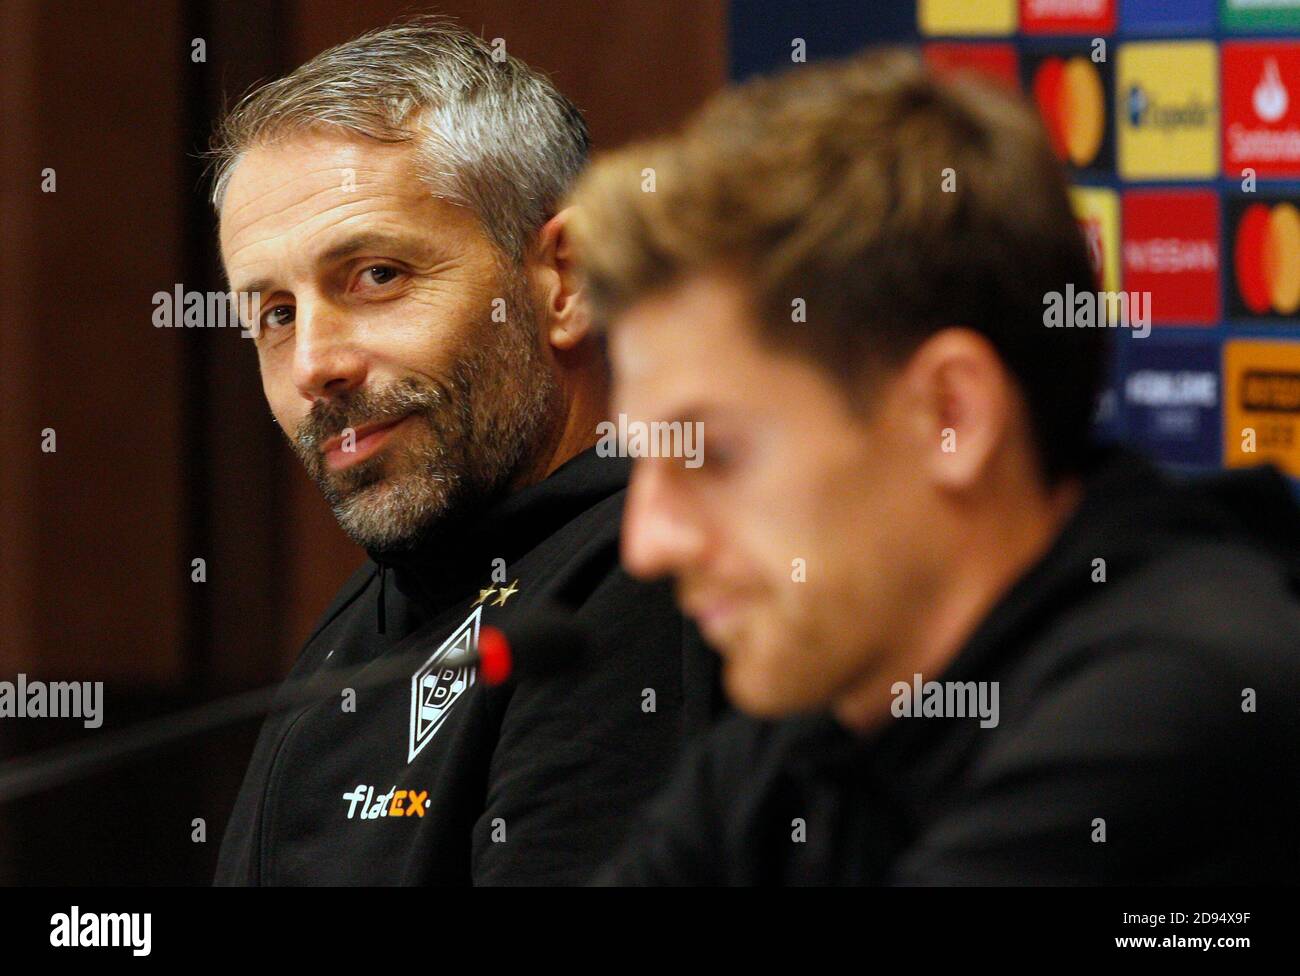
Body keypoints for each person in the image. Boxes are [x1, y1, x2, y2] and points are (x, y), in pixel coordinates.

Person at [567, 49, 1300, 884]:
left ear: (952, 416)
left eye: (715, 453)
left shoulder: (1183, 699)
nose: (648, 546)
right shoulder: (813, 720)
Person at [210, 17, 718, 885]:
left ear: (566, 279)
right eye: (276, 314)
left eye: (376, 276)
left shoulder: (646, 580)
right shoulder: (373, 607)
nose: (313, 366)